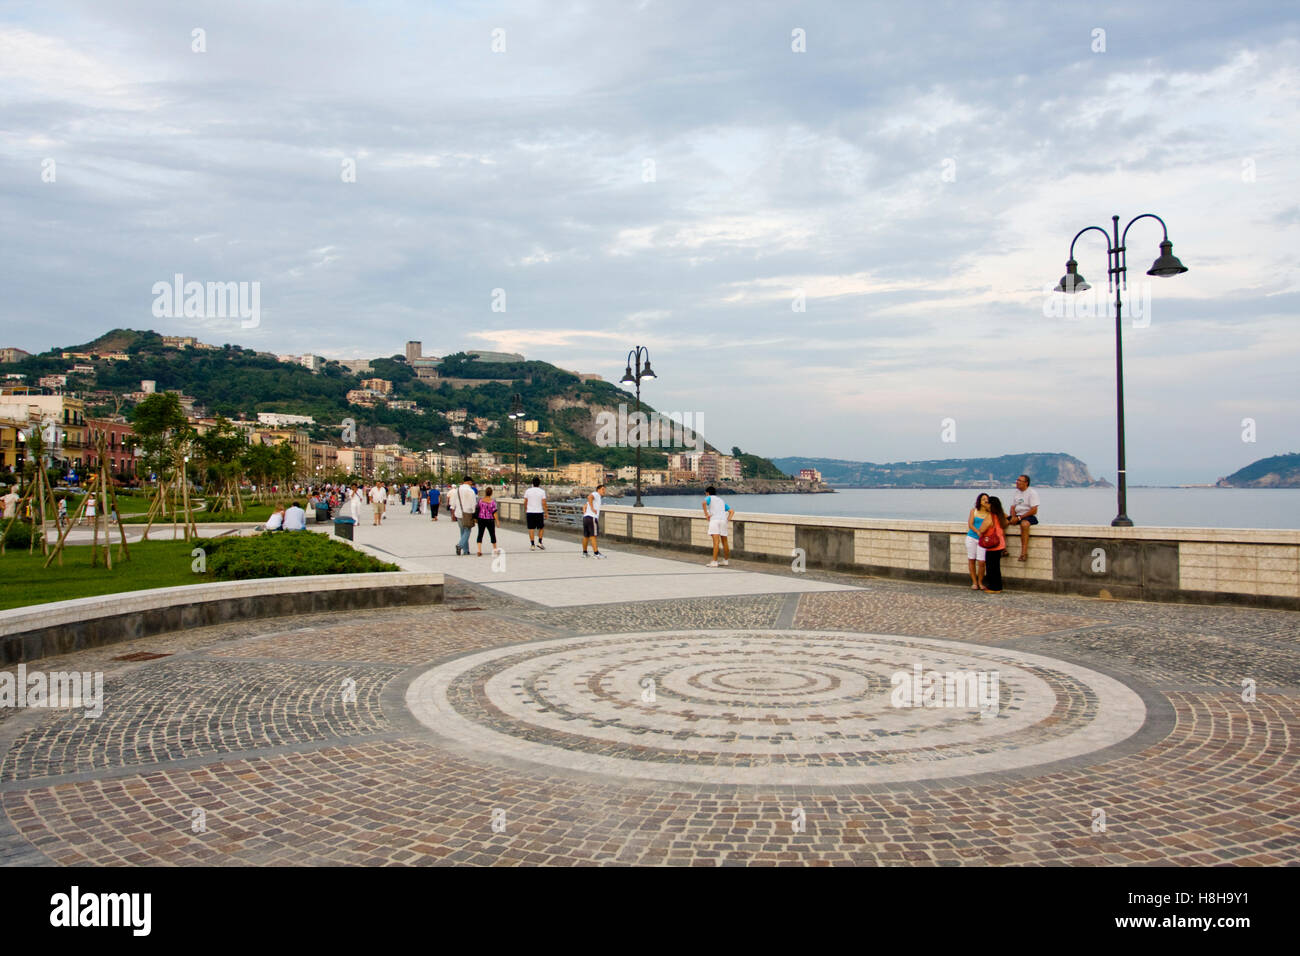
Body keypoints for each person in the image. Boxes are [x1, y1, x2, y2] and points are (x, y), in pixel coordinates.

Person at [1007, 474, 1041, 562]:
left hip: (1028, 516)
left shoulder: (1032, 493)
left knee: (1024, 524)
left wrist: (1019, 518)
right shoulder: (1016, 493)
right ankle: (1003, 549)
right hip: (1018, 515)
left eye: (1019, 481)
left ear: (1026, 483)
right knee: (1001, 521)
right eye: (1017, 480)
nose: (1017, 482)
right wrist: (1013, 517)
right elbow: (1013, 507)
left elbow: (1034, 510)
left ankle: (1024, 553)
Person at [701, 484, 734, 567]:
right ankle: (726, 560)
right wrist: (727, 519)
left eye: (706, 494)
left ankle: (714, 561)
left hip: (715, 520)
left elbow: (704, 503)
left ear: (708, 493)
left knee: (716, 542)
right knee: (725, 541)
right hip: (723, 521)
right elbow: (731, 511)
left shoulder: (709, 498)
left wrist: (706, 515)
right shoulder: (721, 500)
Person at [982, 497, 1009, 593]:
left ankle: (994, 587)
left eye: (987, 503)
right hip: (1000, 543)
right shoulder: (1000, 515)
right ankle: (998, 586)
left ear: (991, 505)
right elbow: (1007, 521)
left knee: (991, 567)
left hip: (992, 545)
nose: (986, 504)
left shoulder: (991, 516)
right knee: (996, 567)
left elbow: (982, 529)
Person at [966, 493, 991, 590]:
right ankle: (974, 582)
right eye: (983, 499)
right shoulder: (974, 511)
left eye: (986, 499)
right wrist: (977, 531)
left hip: (983, 540)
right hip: (972, 537)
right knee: (971, 559)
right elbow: (970, 524)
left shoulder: (989, 513)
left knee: (982, 562)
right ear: (979, 501)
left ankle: (980, 582)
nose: (985, 500)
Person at [453, 476, 478, 556]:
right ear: (469, 482)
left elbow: (454, 502)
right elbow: (473, 504)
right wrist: (474, 514)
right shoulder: (470, 491)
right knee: (467, 530)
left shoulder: (457, 490)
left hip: (458, 513)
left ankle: (466, 551)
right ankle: (459, 545)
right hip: (467, 513)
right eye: (471, 482)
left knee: (462, 532)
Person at [582, 483, 605, 558]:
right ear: (598, 490)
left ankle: (584, 553)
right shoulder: (596, 494)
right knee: (593, 536)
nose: (604, 491)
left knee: (586, 536)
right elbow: (589, 497)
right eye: (602, 489)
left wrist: (585, 512)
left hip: (586, 517)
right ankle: (596, 553)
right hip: (592, 518)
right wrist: (592, 508)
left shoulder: (596, 497)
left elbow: (585, 506)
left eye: (604, 490)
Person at [523, 477, 547, 550]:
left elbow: (525, 501)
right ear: (539, 483)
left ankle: (532, 544)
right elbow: (544, 503)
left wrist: (526, 509)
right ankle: (540, 542)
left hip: (530, 512)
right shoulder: (542, 491)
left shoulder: (528, 491)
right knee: (541, 528)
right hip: (539, 512)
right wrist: (546, 512)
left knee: (531, 528)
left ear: (532, 483)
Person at [476, 486, 499, 556]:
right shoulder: (492, 502)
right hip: (490, 520)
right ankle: (495, 550)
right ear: (491, 493)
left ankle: (479, 550)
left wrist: (476, 519)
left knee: (480, 534)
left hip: (481, 519)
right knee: (492, 534)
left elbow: (477, 509)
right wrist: (497, 521)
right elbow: (494, 512)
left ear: (485, 492)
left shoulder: (480, 501)